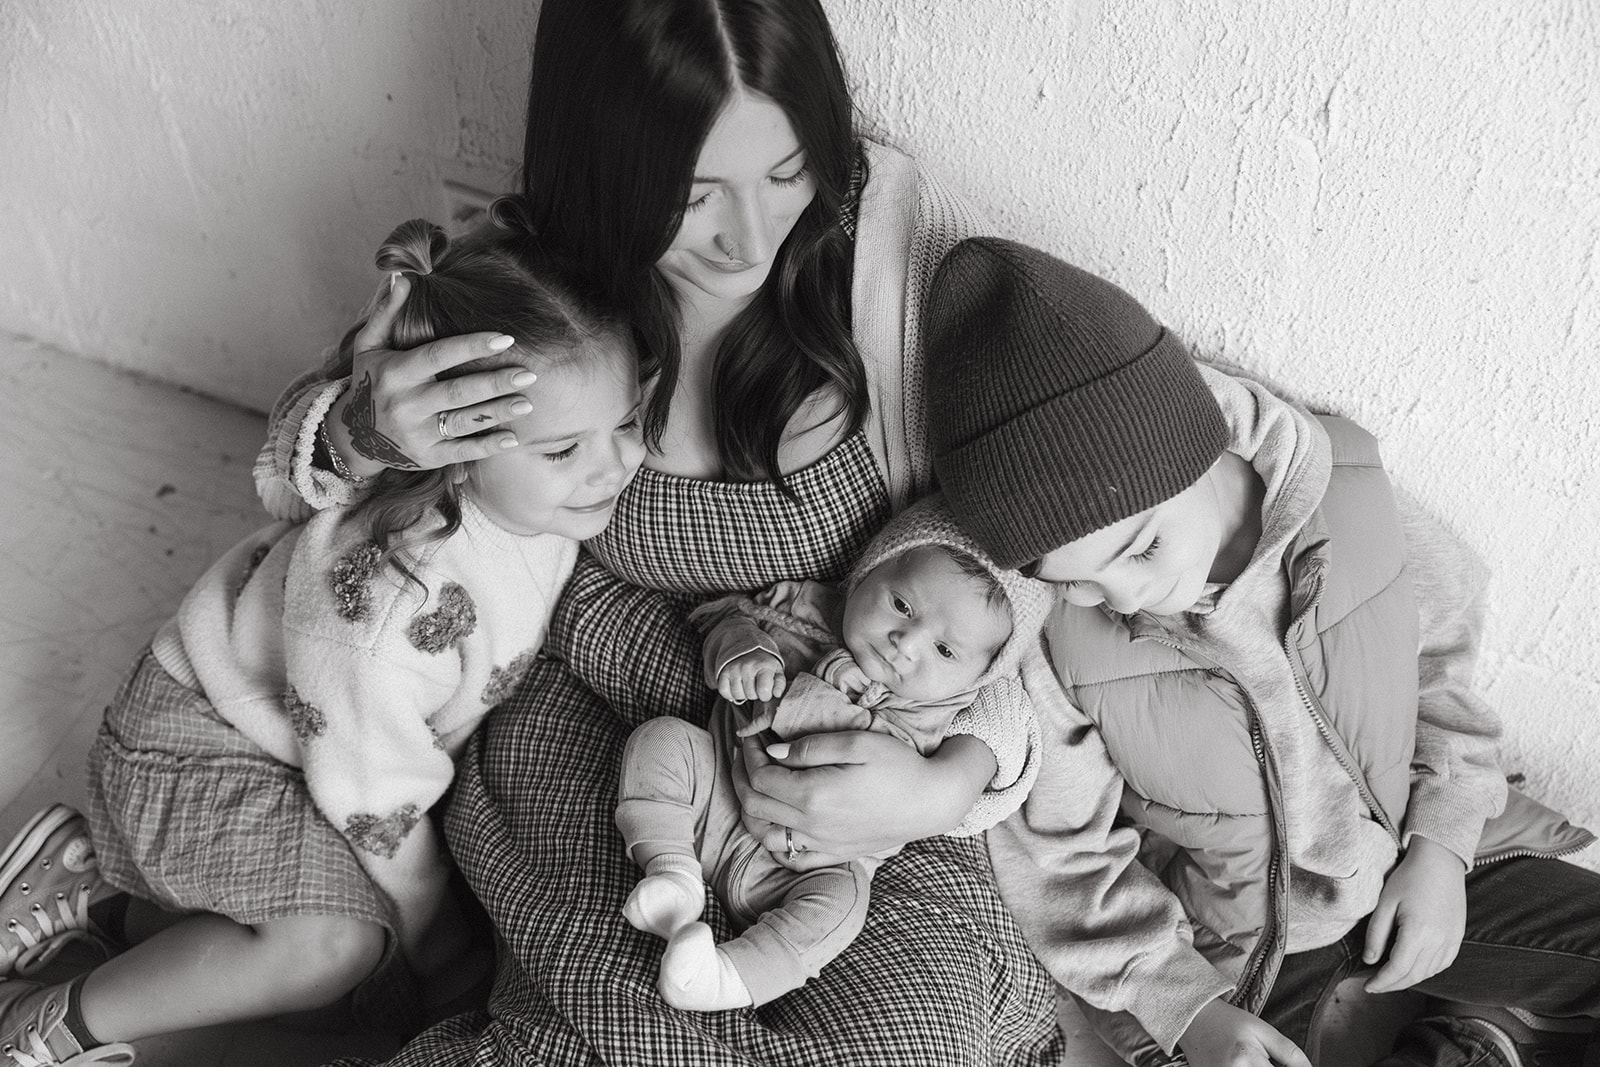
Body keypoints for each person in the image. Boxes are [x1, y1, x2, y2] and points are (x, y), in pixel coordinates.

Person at [253, 1, 1066, 1063]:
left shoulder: (881, 270)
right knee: (633, 1030)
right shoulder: (525, 287)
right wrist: (367, 422)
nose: (749, 238)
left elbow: (1005, 596)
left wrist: (950, 778)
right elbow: (283, 474)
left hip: (861, 747)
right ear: (606, 174)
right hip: (595, 726)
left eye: (785, 175)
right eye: (693, 197)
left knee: (905, 1033)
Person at [923, 236, 1600, 1067]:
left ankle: (1461, 1033)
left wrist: (1441, 850)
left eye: (1139, 550)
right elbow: (1062, 855)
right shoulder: (1048, 642)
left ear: (1197, 447)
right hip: (1248, 946)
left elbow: (1441, 673)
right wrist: (1190, 1009)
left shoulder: (1348, 500)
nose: (1125, 599)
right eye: (1078, 583)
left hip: (1428, 860)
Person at [0, 216, 647, 1065]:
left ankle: (84, 895)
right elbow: (379, 802)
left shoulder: (538, 500)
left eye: (629, 421)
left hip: (310, 740)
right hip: (197, 747)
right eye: (565, 448)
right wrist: (446, 954)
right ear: (454, 448)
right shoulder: (390, 611)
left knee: (330, 989)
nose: (615, 467)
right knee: (339, 952)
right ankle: (50, 1027)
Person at [618, 496, 1050, 1011]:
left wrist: (827, 692)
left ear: (975, 676)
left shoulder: (938, 710)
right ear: (869, 571)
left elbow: (885, 766)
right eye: (902, 606)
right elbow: (728, 619)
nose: (905, 642)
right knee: (660, 740)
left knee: (844, 906)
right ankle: (671, 875)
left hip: (807, 865)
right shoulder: (805, 609)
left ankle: (726, 978)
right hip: (712, 790)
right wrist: (740, 649)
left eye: (945, 650)